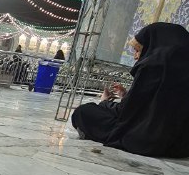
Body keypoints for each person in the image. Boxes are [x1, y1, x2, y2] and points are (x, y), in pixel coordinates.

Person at [71, 22, 189, 157]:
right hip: (180, 146)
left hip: (144, 140)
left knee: (83, 112)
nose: (135, 56)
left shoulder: (152, 66)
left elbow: (126, 112)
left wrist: (105, 102)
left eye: (138, 50)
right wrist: (126, 95)